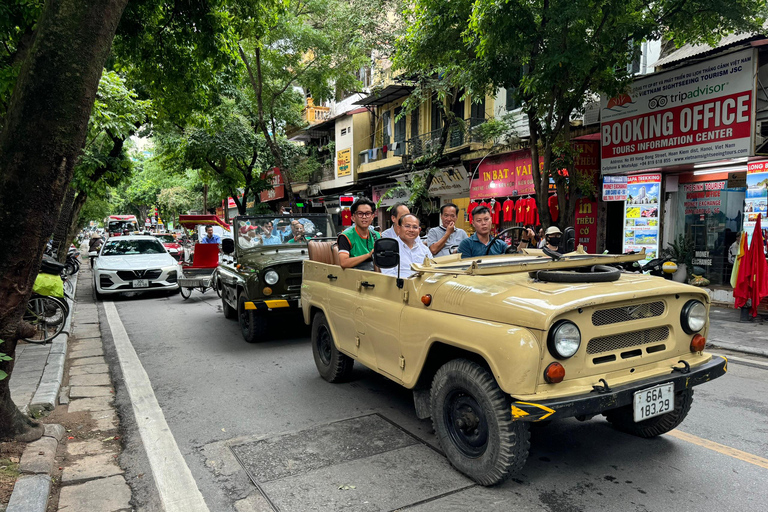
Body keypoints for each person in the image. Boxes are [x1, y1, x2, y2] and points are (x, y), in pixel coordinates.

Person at [382, 214, 431, 278]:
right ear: (399, 228)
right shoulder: (389, 248)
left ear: (419, 231)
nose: (411, 230)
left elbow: (431, 271)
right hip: (398, 286)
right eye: (407, 226)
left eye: (415, 227)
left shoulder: (424, 250)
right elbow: (388, 276)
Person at [338, 197, 380, 270]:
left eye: (367, 214)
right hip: (354, 277)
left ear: (372, 216)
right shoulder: (345, 236)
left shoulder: (377, 235)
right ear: (353, 218)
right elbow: (343, 263)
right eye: (360, 214)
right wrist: (368, 255)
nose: (364, 217)